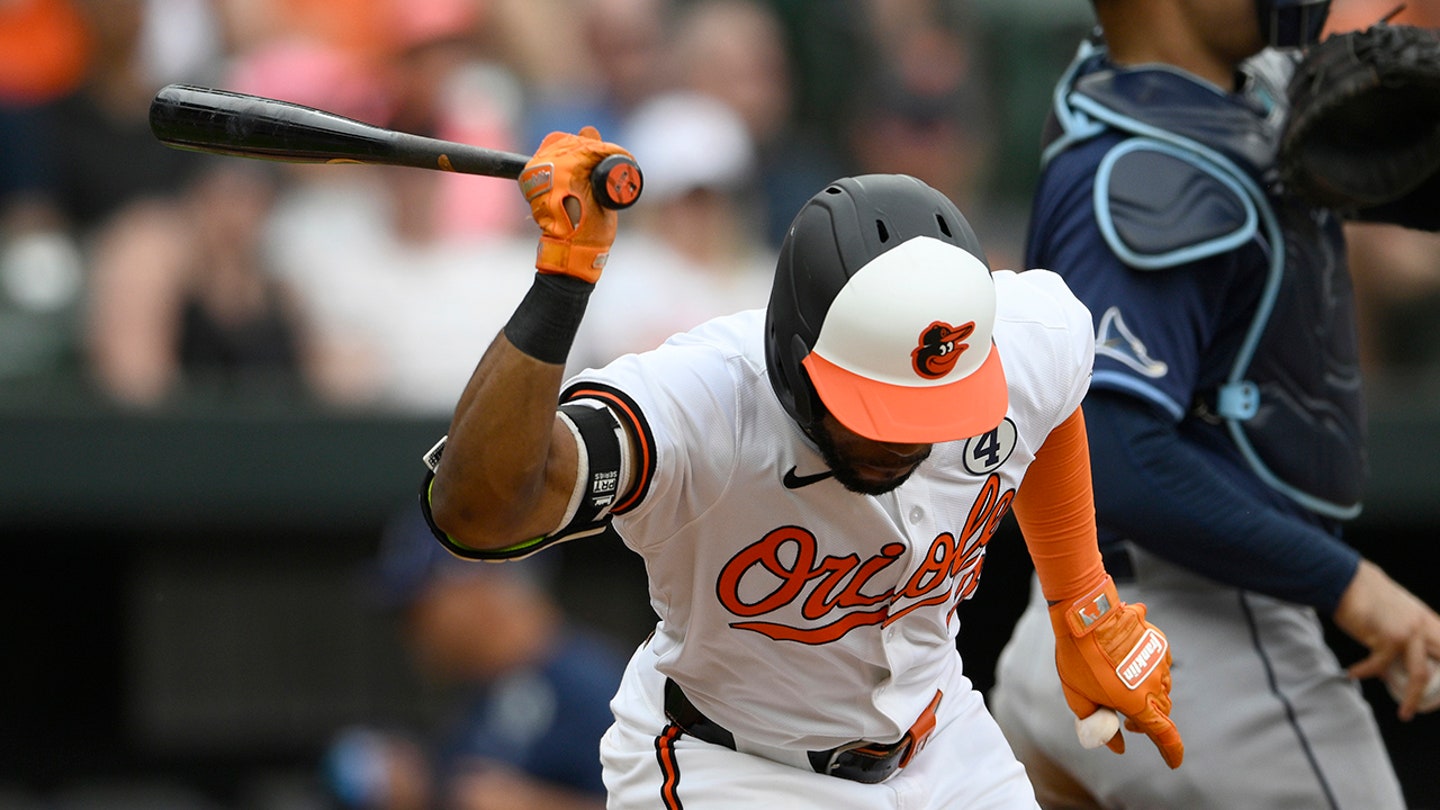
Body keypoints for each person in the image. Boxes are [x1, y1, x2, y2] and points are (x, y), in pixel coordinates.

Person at [418, 126, 1184, 808]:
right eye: (880, 410)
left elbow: (1053, 404)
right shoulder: (703, 403)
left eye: (935, 410)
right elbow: (478, 512)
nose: (908, 443)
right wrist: (561, 285)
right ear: (795, 359)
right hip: (735, 768)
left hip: (946, 742)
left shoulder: (1021, 340)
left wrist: (1082, 604)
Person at [988, 2, 1440, 809]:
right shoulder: (1146, 173)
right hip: (1204, 645)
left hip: (1068, 643)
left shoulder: (1174, 92)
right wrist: (1354, 585)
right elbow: (1119, 457)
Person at [324, 506, 626, 810]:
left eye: (418, 606)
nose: (409, 630)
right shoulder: (479, 699)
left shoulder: (599, 689)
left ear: (474, 583)